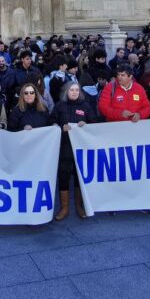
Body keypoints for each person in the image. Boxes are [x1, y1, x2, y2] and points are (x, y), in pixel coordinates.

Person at [50, 82, 99, 220]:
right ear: (66, 91)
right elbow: (51, 122)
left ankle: (79, 205)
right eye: (72, 90)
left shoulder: (85, 106)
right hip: (64, 146)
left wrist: (86, 125)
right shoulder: (60, 106)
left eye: (77, 90)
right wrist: (60, 126)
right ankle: (64, 207)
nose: (74, 92)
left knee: (80, 177)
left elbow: (95, 123)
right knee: (63, 176)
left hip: (81, 147)